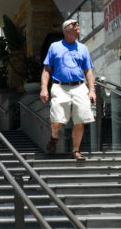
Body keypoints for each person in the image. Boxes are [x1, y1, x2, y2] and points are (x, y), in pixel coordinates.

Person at [40, 17, 96, 160]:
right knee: (57, 118)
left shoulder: (82, 48)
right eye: (74, 25)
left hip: (79, 86)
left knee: (80, 119)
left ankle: (75, 150)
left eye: (78, 26)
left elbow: (88, 71)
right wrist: (44, 88)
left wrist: (92, 90)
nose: (77, 27)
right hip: (59, 86)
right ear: (66, 30)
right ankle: (54, 136)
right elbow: (47, 69)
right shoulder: (55, 47)